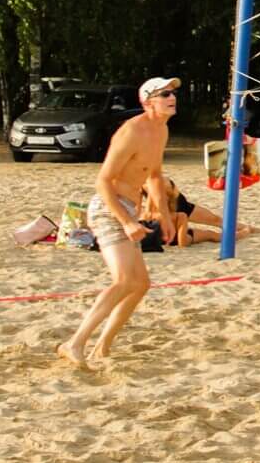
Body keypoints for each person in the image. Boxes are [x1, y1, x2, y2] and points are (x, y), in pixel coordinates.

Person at [58, 77, 178, 367]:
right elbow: (103, 181)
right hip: (108, 209)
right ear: (148, 102)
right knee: (124, 281)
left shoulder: (161, 129)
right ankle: (74, 343)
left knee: (140, 284)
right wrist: (126, 221)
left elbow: (154, 175)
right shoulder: (131, 131)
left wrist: (163, 214)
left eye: (173, 92)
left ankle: (103, 347)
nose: (172, 97)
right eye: (165, 94)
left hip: (129, 209)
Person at [140, 175, 259, 246]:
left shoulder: (149, 211)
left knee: (214, 222)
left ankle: (249, 230)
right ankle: (245, 231)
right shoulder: (145, 185)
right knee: (211, 233)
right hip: (167, 211)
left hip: (173, 206)